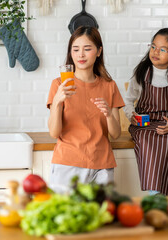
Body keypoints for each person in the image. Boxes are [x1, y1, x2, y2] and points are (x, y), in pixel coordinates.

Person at [46, 26, 125, 191]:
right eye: (75, 49)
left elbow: (116, 134)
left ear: (98, 51)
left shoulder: (109, 86)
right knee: (68, 215)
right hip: (68, 164)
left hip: (102, 166)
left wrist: (109, 115)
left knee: (101, 216)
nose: (80, 54)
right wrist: (57, 103)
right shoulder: (59, 85)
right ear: (71, 53)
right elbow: (54, 133)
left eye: (87, 49)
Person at [124, 28, 168, 196]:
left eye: (162, 49)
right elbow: (127, 101)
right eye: (153, 46)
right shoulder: (141, 74)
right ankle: (154, 192)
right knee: (147, 139)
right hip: (145, 125)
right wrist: (131, 116)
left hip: (167, 124)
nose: (155, 52)